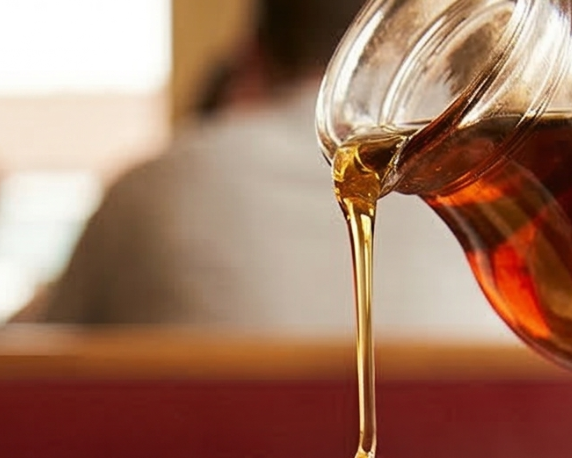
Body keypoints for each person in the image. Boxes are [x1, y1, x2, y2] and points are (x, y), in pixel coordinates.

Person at [40, 0, 505, 335]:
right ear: (405, 55)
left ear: (253, 54)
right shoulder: (484, 184)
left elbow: (44, 361)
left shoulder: (154, 185)